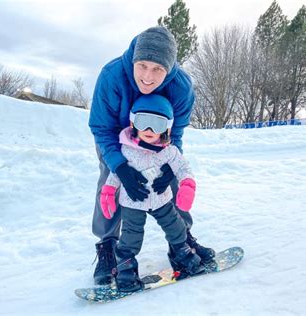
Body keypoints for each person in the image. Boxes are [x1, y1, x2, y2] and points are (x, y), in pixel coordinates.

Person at [89, 26, 215, 285]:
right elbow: (101, 128)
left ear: (169, 69)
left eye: (158, 69)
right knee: (110, 182)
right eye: (143, 65)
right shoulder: (112, 76)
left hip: (159, 140)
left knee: (172, 176)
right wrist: (120, 166)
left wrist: (171, 161)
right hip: (115, 139)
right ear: (134, 59)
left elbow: (176, 131)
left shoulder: (181, 87)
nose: (148, 76)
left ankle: (182, 239)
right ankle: (108, 245)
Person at [100, 94, 205, 292]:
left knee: (176, 226)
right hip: (133, 202)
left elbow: (183, 168)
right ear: (133, 122)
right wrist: (108, 192)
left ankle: (180, 252)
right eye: (143, 122)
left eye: (157, 124)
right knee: (130, 235)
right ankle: (125, 266)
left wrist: (187, 185)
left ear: (167, 128)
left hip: (162, 200)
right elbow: (115, 174)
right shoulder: (125, 150)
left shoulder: (170, 151)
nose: (149, 130)